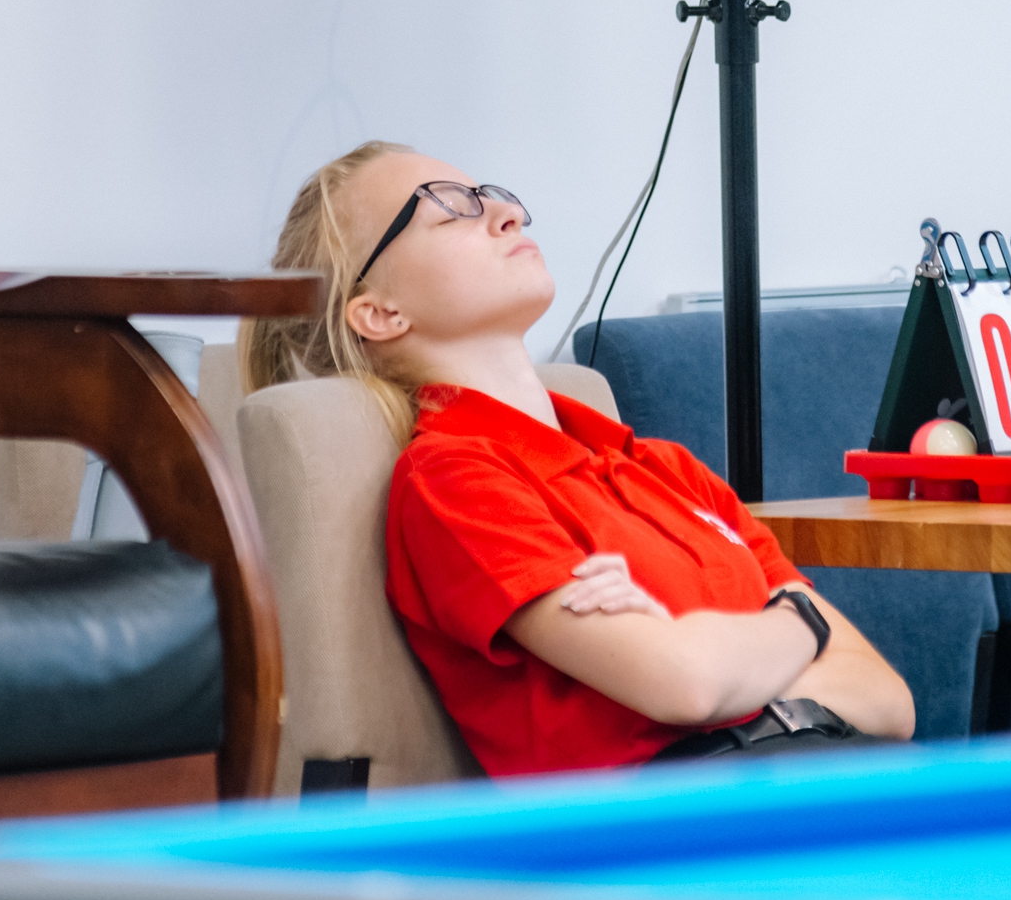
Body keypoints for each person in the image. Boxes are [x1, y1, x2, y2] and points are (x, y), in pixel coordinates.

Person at [240, 141, 915, 776]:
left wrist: (711, 650)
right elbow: (685, 684)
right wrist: (797, 620)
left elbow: (888, 700)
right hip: (685, 822)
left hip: (822, 777)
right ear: (381, 313)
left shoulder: (666, 467)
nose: (507, 215)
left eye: (492, 195)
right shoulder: (454, 478)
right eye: (449, 208)